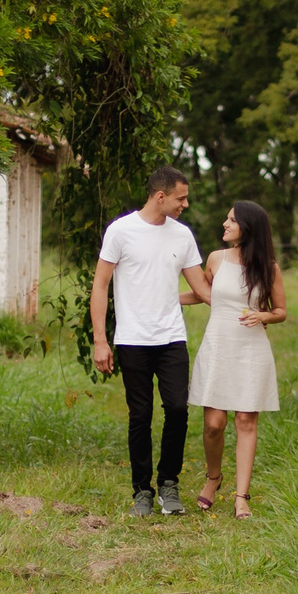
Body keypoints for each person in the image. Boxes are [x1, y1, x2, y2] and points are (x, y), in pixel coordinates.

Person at [91, 167, 213, 516]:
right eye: (181, 198)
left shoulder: (183, 236)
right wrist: (101, 340)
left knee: (177, 409)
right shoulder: (121, 231)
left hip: (172, 338)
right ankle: (142, 490)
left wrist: (244, 306)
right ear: (161, 197)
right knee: (140, 415)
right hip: (132, 339)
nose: (185, 204)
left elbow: (202, 289)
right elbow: (100, 285)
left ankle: (169, 484)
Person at [189, 200, 287, 519]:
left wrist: (263, 316)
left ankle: (241, 496)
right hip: (218, 344)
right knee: (214, 423)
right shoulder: (216, 259)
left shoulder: (268, 267)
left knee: (245, 420)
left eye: (231, 220)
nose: (224, 224)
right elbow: (202, 293)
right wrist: (164, 298)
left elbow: (281, 311)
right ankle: (213, 477)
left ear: (248, 227)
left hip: (251, 349)